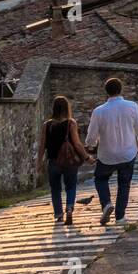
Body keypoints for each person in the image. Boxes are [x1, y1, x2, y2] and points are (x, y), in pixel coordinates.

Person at [84, 77, 138, 226]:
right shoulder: (132, 106)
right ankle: (120, 217)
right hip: (128, 153)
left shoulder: (99, 111)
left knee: (100, 179)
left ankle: (106, 203)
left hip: (107, 155)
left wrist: (90, 146)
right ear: (121, 89)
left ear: (106, 92)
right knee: (124, 184)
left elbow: (91, 136)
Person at [35, 95, 93, 225]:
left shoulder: (47, 125)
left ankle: (58, 214)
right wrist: (87, 157)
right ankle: (69, 209)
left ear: (54, 108)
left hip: (53, 161)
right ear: (67, 108)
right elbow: (77, 144)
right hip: (70, 162)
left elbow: (42, 145)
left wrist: (38, 163)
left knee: (55, 189)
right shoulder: (71, 123)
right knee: (70, 186)